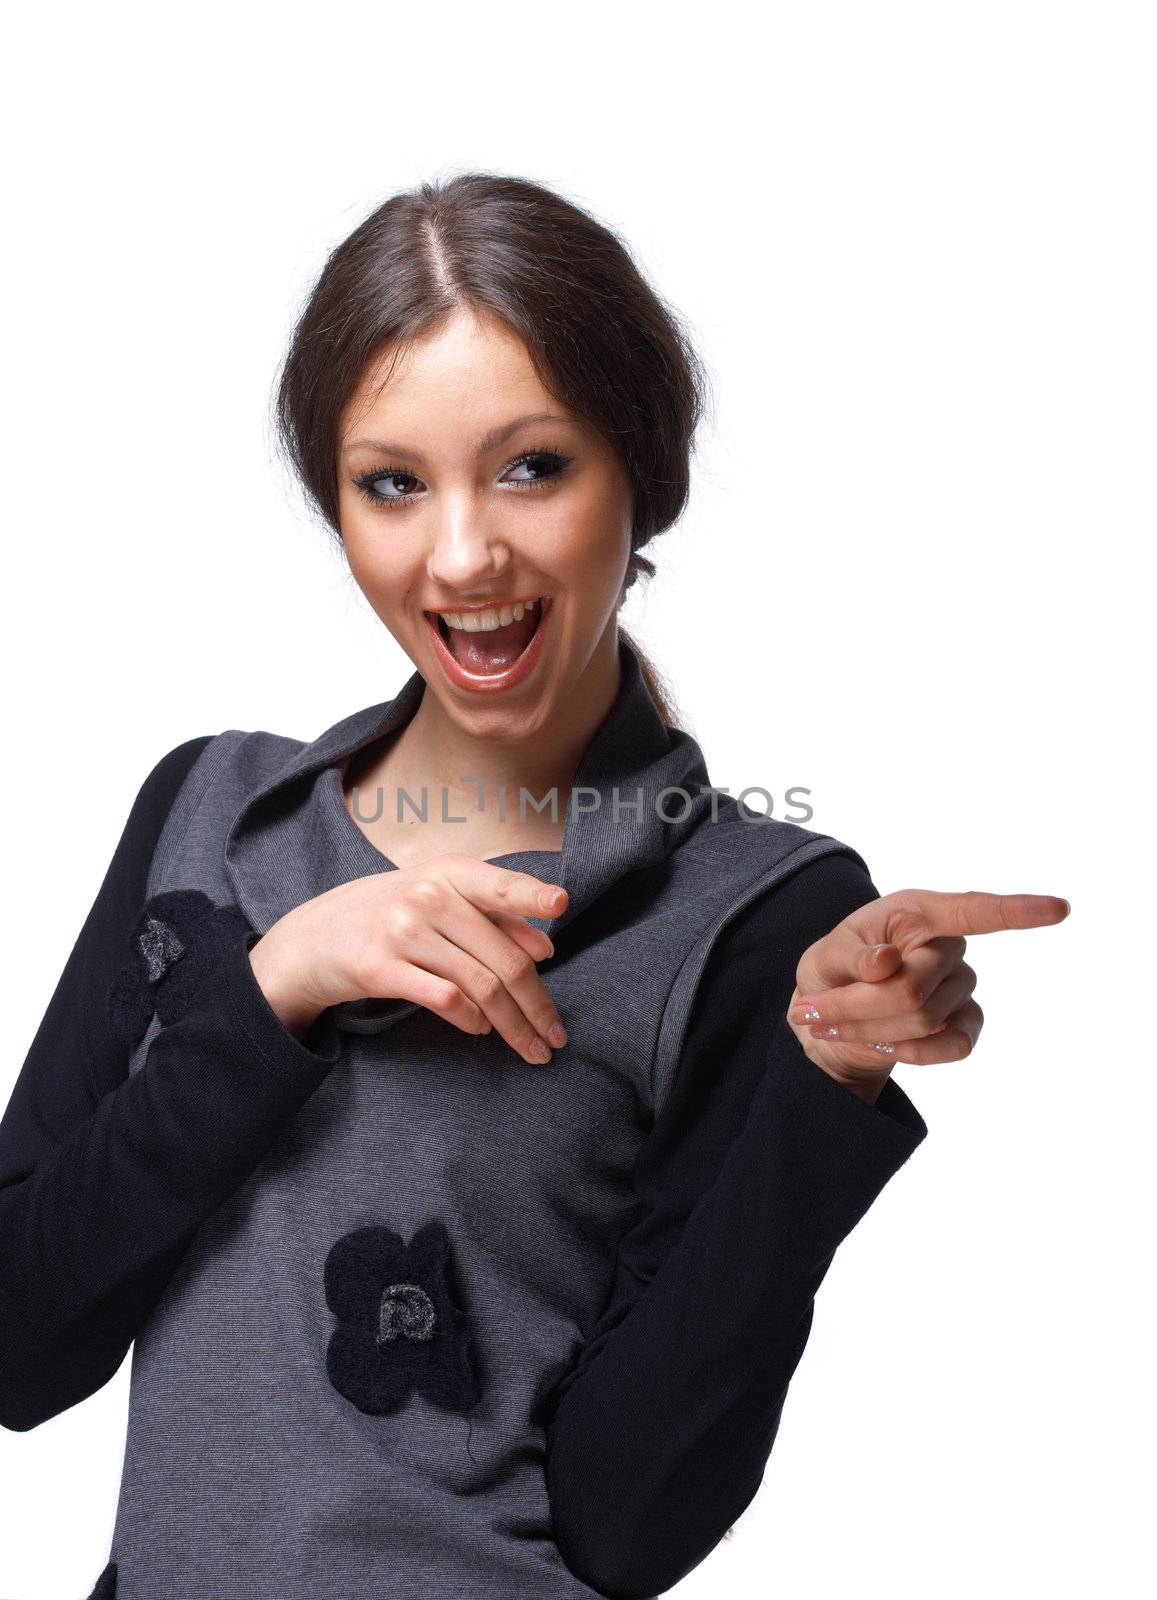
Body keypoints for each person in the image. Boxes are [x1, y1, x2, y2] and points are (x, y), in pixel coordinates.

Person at [0, 172, 1069, 1600]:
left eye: (531, 467)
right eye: (393, 482)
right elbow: (19, 1345)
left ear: (643, 477)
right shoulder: (205, 815)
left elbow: (628, 1528)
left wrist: (819, 1094)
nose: (461, 554)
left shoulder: (758, 916)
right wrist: (277, 989)